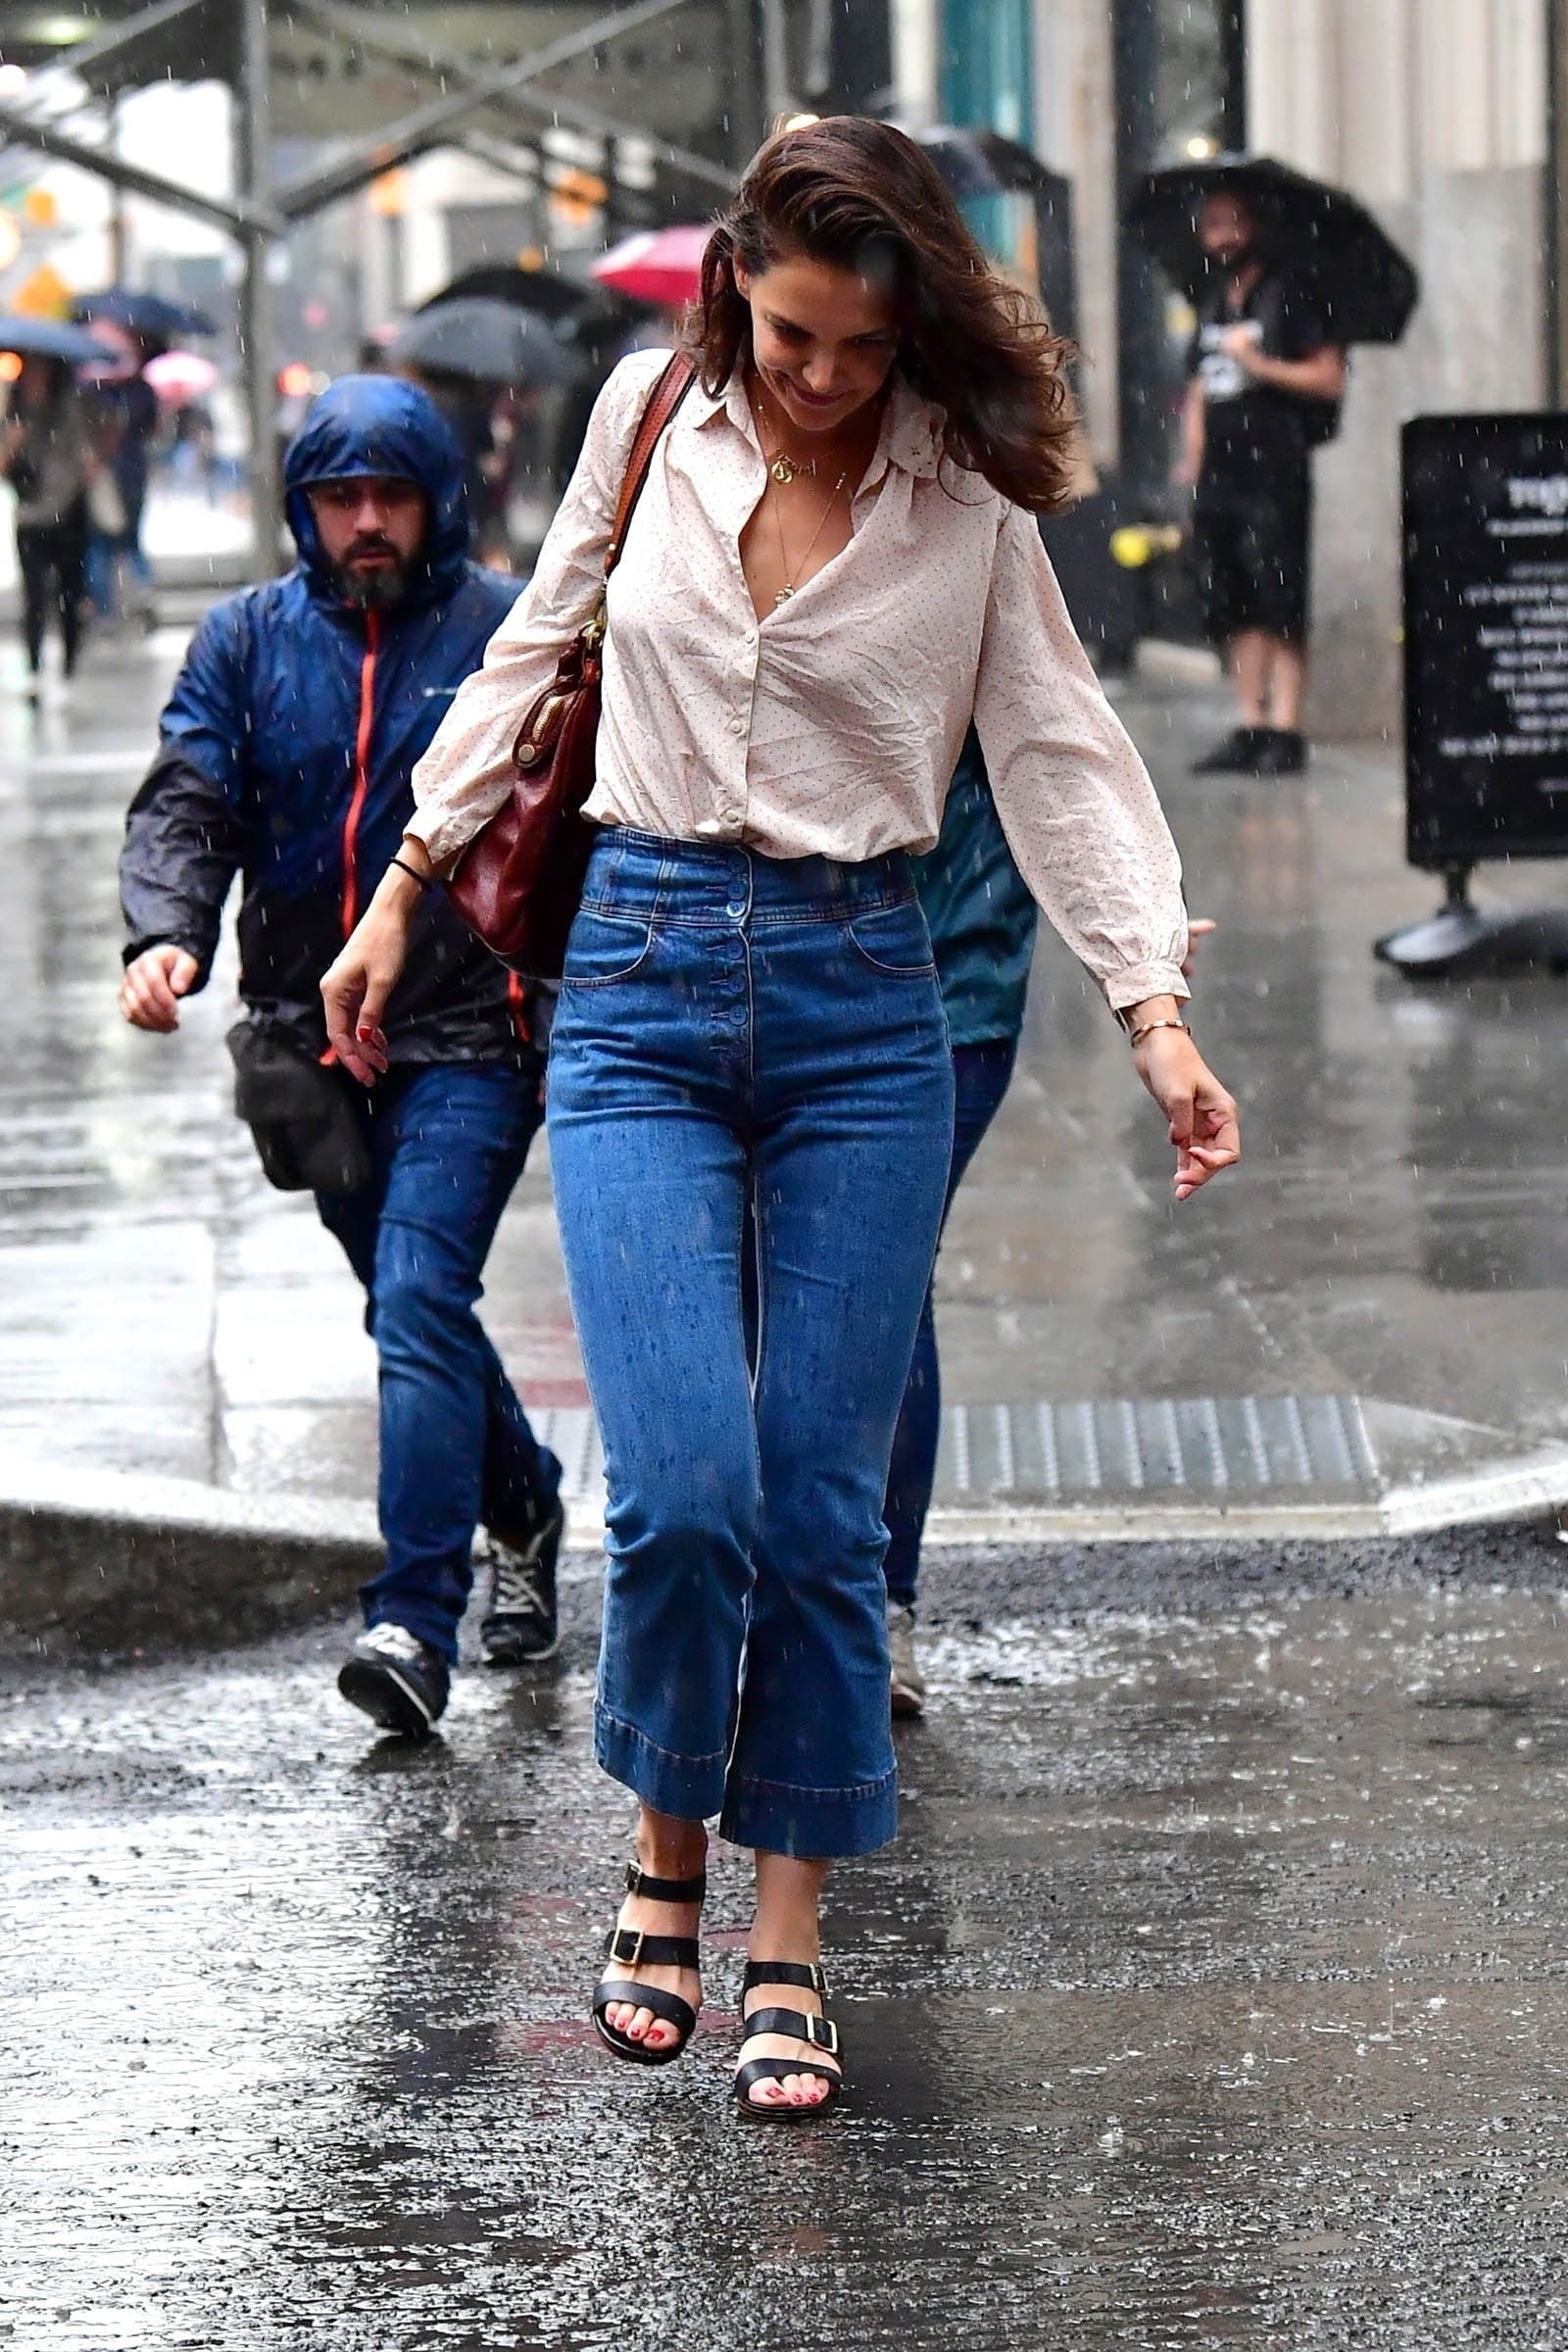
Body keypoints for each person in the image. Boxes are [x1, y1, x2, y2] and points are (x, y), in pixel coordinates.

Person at [321, 120, 1241, 2120]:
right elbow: (538, 643)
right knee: (683, 1498)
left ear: (907, 318)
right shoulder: (653, 412)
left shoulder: (964, 498)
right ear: (735, 281)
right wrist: (402, 889)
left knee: (822, 1517)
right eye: (788, 331)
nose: (815, 375)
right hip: (640, 986)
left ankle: (782, 1941)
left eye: (852, 340)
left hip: (857, 1004)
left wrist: (1150, 1009)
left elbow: (1062, 758)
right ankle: (659, 1867)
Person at [118, 373, 565, 1739]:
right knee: (408, 1311)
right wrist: (165, 934)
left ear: (440, 499)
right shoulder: (246, 641)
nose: (368, 524)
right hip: (309, 1043)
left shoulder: (504, 629)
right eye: (338, 499)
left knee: (422, 1295)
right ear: (302, 510)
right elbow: (188, 797)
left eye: (392, 496)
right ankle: (528, 1504)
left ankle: (411, 1623)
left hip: (471, 1031)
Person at [1177, 188, 1348, 777]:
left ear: (1256, 227)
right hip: (1221, 473)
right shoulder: (1211, 300)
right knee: (1234, 597)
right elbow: (1198, 383)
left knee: (1281, 593)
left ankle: (1286, 728)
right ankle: (1251, 723)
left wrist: (1260, 365)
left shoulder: (1293, 291)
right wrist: (1193, 453)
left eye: (1232, 223)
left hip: (1276, 467)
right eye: (1211, 225)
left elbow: (1329, 378)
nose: (1221, 237)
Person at [1, 355, 91, 693]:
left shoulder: (69, 407)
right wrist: (13, 440)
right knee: (34, 595)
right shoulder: (12, 407)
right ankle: (34, 666)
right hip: (29, 514)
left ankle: (68, 665)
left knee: (69, 591)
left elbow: (84, 458)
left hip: (67, 514)